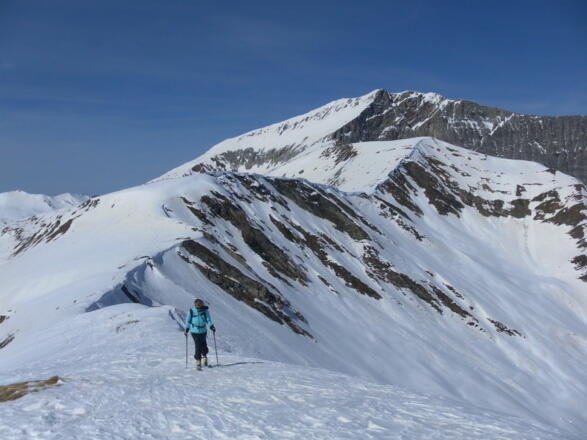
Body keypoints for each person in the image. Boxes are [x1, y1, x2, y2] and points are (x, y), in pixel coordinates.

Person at [184, 298, 216, 369]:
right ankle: (198, 360)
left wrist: (211, 326)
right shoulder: (191, 311)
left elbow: (208, 320)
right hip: (194, 331)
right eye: (197, 306)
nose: (199, 307)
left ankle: (204, 356)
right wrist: (187, 329)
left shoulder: (205, 311)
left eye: (200, 306)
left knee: (204, 344)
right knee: (198, 345)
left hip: (203, 331)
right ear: (195, 305)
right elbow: (188, 321)